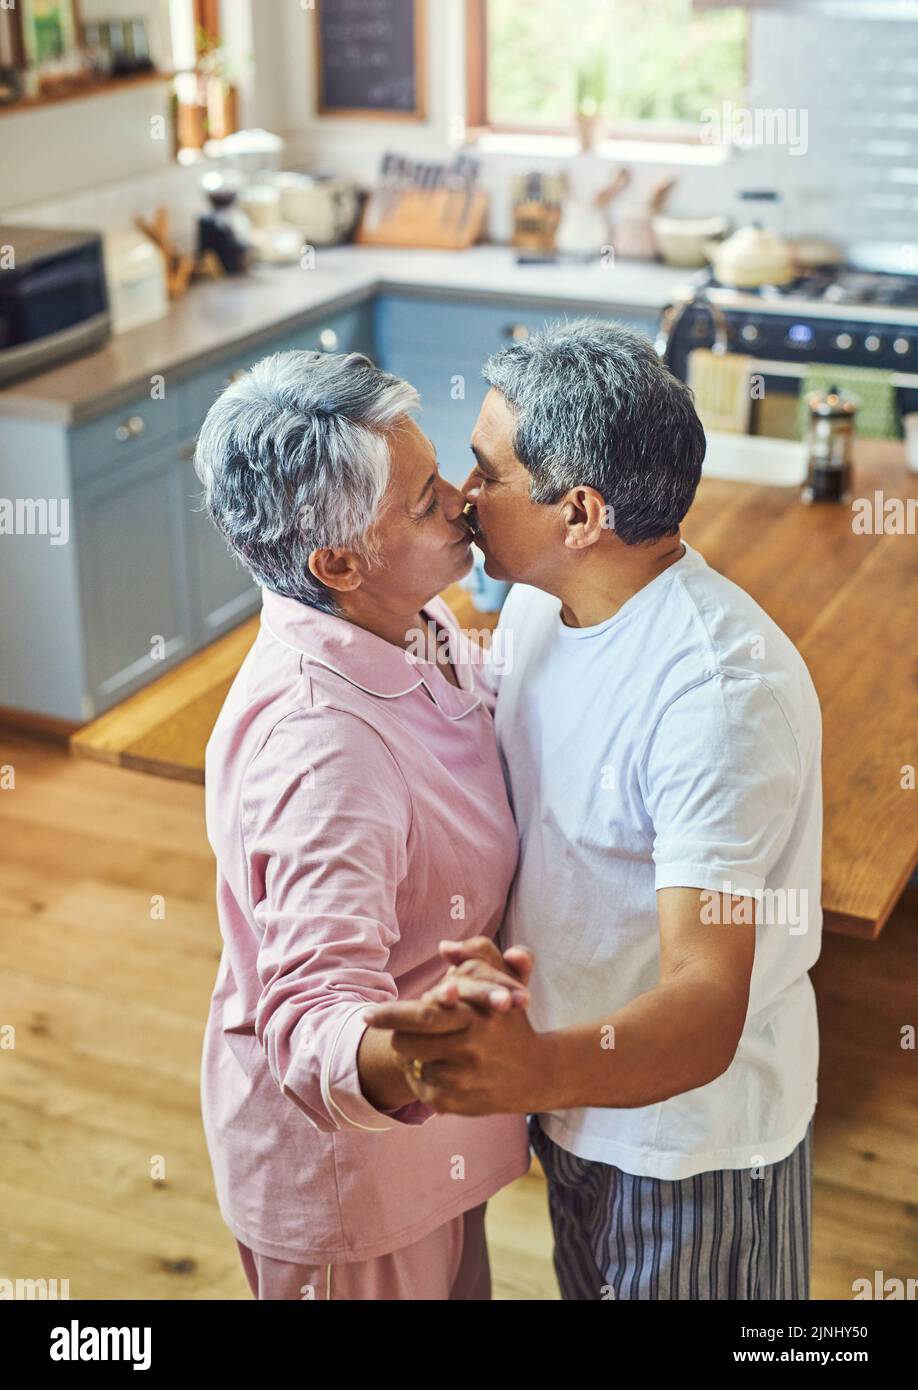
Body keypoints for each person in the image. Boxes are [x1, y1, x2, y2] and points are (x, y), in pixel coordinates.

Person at [367, 319, 822, 1301]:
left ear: (579, 512)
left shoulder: (718, 695)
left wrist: (532, 1072)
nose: (460, 496)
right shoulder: (543, 599)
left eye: (485, 471)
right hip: (575, 1107)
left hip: (688, 1151)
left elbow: (705, 1003)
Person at [193, 348, 530, 1301]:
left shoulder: (405, 621)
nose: (465, 498)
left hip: (432, 1147)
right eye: (426, 500)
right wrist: (418, 1048)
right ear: (339, 561)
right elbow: (310, 1022)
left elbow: (472, 713)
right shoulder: (322, 747)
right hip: (354, 1185)